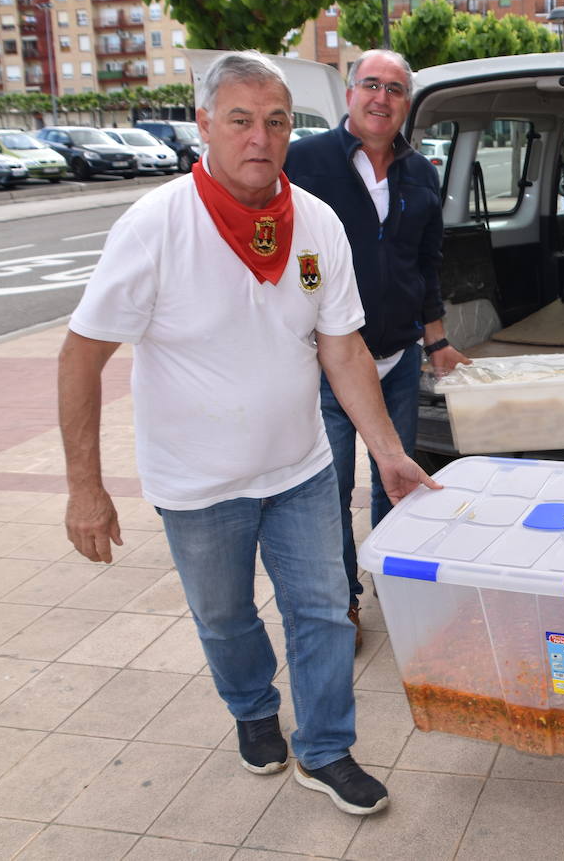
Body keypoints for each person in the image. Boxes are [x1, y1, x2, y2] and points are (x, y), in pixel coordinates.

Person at [58, 51, 438, 817]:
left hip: (297, 467)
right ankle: (253, 709)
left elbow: (343, 349)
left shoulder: (316, 223)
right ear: (204, 126)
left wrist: (389, 454)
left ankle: (327, 747)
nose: (259, 138)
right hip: (197, 485)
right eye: (239, 120)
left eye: (274, 121)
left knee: (325, 609)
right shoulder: (157, 225)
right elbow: (81, 355)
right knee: (226, 617)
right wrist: (85, 488)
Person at [284, 49, 469, 647]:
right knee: (330, 491)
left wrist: (435, 338)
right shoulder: (303, 162)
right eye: (371, 85)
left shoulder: (421, 172)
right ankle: (343, 601)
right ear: (349, 94)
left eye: (394, 89)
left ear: (405, 103)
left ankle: (396, 579)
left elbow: (426, 262)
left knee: (399, 478)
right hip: (328, 365)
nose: (381, 98)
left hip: (396, 359)